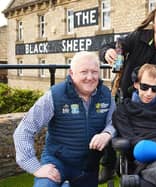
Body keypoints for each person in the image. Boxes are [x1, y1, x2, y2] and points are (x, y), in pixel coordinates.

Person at [98, 4, 156, 182]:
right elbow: (115, 46)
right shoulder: (139, 37)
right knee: (113, 121)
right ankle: (108, 165)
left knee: (155, 126)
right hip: (128, 92)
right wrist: (107, 52)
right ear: (154, 23)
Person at [13, 51, 116, 187]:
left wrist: (107, 133)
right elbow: (24, 131)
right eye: (84, 72)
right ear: (71, 73)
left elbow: (115, 121)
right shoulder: (55, 95)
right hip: (57, 163)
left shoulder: (106, 95)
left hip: (88, 167)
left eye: (94, 72)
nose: (90, 77)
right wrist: (35, 167)